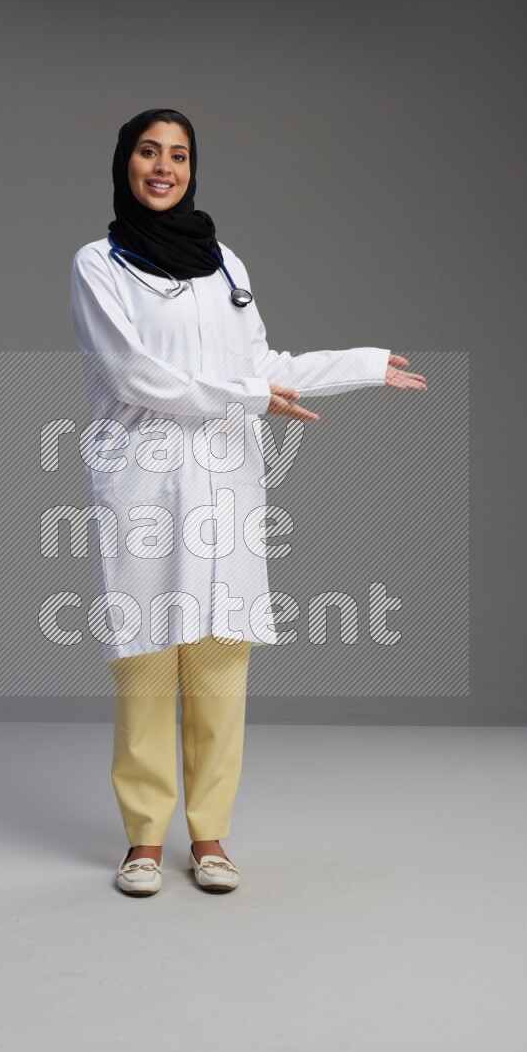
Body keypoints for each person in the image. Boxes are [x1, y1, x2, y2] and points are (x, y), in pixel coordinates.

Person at [70, 107, 427, 897]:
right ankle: (141, 842)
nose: (164, 167)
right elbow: (135, 377)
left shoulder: (225, 263)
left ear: (194, 169)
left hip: (224, 483)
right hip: (145, 483)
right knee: (147, 666)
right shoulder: (100, 263)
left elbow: (266, 362)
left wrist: (362, 364)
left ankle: (209, 836)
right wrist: (251, 394)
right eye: (149, 152)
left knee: (221, 664)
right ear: (125, 163)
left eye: (179, 155)